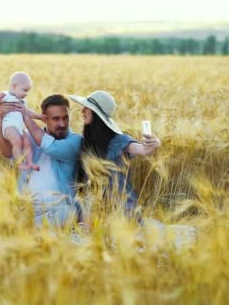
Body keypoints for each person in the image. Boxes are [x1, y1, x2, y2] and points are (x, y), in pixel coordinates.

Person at [69, 90, 196, 249]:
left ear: (96, 114)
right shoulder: (86, 143)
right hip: (95, 206)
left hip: (120, 206)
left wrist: (153, 144)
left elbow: (143, 150)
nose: (82, 111)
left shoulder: (119, 141)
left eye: (86, 108)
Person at [0, 94, 82, 226]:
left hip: (60, 211)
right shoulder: (28, 138)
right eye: (56, 119)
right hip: (28, 210)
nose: (62, 124)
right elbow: (6, 152)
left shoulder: (76, 141)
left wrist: (26, 117)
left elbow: (51, 147)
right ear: (44, 118)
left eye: (65, 118)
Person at [0, 72, 40, 171]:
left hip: (18, 128)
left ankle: (30, 162)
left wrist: (39, 117)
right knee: (17, 141)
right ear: (14, 86)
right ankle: (18, 163)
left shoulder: (23, 101)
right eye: (24, 90)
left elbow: (27, 112)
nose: (26, 94)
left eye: (28, 92)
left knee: (27, 142)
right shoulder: (7, 95)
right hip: (9, 127)